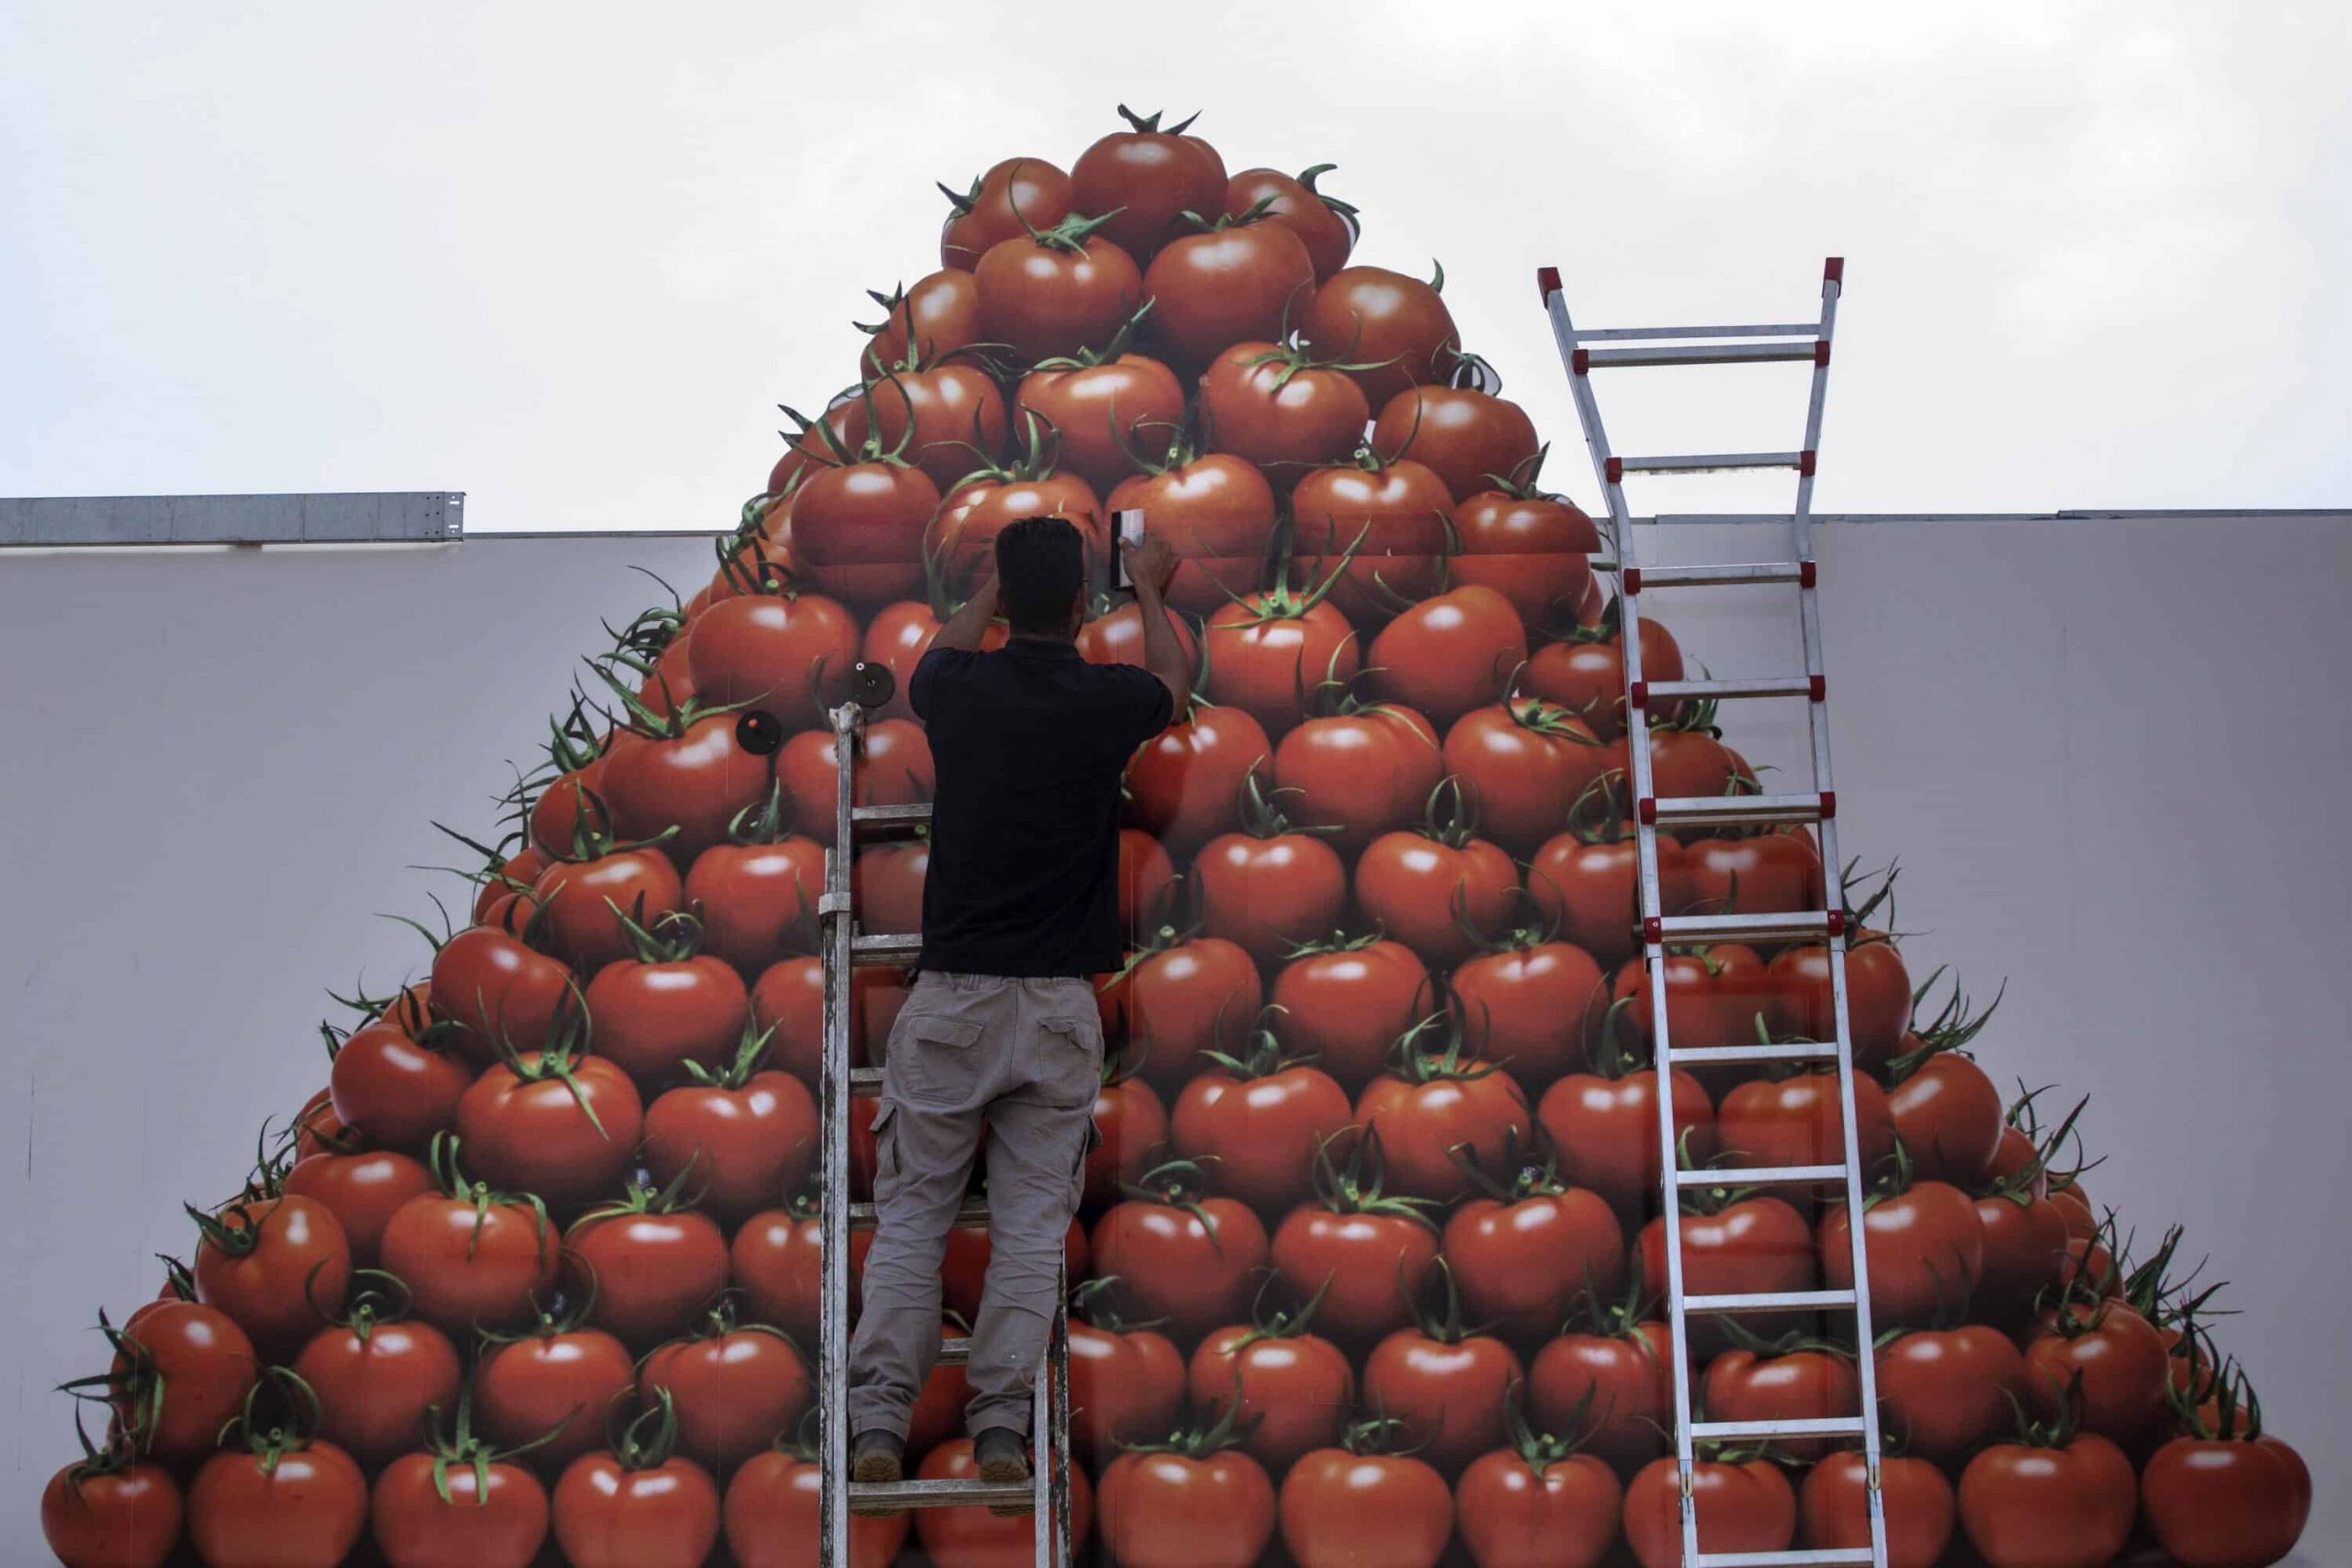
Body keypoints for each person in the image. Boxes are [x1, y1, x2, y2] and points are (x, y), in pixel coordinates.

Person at [845, 515, 1189, 1512]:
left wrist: (995, 589)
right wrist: (1153, 590)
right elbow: (1171, 683)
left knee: (913, 1218)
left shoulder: (959, 689)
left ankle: (878, 1423)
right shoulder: (1103, 699)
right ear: (1084, 607)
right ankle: (1001, 1426)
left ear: (1003, 594)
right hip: (1056, 1008)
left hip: (954, 999)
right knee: (1033, 1232)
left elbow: (934, 656)